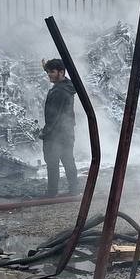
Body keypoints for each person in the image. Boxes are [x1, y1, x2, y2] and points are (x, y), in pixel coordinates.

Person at [41, 58, 79, 196]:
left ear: (61, 72)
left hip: (57, 133)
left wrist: (45, 133)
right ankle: (73, 190)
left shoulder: (60, 91)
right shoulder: (65, 86)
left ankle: (52, 192)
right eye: (48, 72)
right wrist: (46, 67)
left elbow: (55, 117)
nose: (49, 75)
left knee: (53, 163)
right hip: (66, 132)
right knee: (68, 160)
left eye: (52, 72)